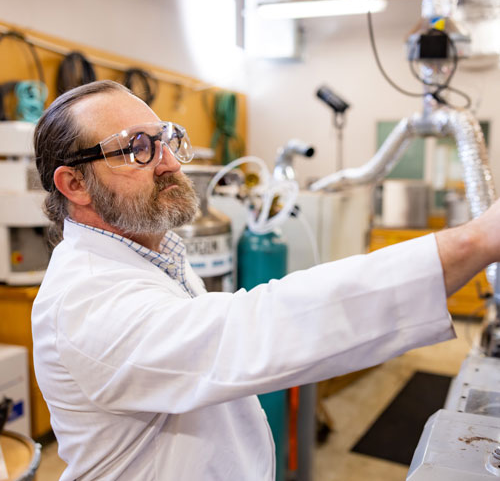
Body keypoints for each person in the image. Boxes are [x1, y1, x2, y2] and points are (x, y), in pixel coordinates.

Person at [32, 80, 500, 480]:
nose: (170, 162)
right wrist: (473, 242)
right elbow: (256, 330)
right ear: (74, 185)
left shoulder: (154, 252)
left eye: (167, 139)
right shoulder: (83, 301)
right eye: (137, 148)